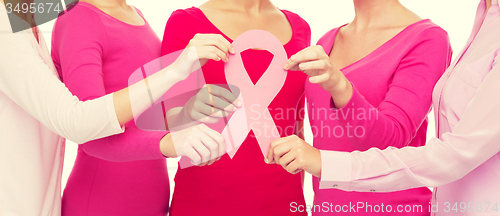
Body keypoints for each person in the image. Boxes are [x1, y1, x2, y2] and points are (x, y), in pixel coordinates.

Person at [269, 0, 500, 216]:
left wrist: (339, 86)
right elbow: (274, 110)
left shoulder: (427, 39)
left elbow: (391, 142)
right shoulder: (324, 39)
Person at [0, 0, 229, 215]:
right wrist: (169, 141)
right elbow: (87, 130)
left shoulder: (136, 15)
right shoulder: (77, 16)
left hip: (151, 201)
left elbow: (140, 115)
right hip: (102, 202)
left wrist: (186, 112)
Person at [161, 0, 311, 215]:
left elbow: (296, 123)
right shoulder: (185, 22)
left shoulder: (300, 26)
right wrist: (189, 110)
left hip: (285, 200)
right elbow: (166, 124)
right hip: (205, 200)